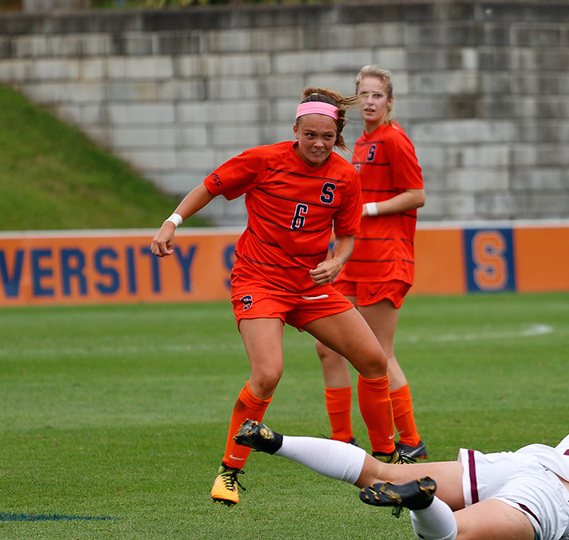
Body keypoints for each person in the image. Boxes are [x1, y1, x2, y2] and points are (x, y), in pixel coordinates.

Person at [151, 88, 406, 508]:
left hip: (310, 285)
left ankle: (387, 461)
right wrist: (171, 222)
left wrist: (337, 263)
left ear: (337, 134)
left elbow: (346, 238)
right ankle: (229, 472)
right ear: (296, 131)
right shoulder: (263, 160)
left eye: (326, 136)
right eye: (310, 135)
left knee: (375, 360)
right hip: (259, 282)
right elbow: (210, 187)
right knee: (268, 374)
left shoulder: (344, 176)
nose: (318, 143)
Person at [231, 410, 569, 540]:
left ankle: (278, 443)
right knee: (453, 536)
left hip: (521, 464)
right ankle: (422, 502)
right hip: (551, 497)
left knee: (379, 469)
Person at [315, 65, 427, 460]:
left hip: (385, 258)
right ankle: (342, 440)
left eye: (377, 95)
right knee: (327, 348)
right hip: (352, 259)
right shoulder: (359, 143)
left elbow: (416, 194)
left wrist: (370, 208)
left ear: (390, 101)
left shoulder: (395, 140)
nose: (369, 101)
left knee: (378, 351)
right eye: (363, 94)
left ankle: (410, 442)